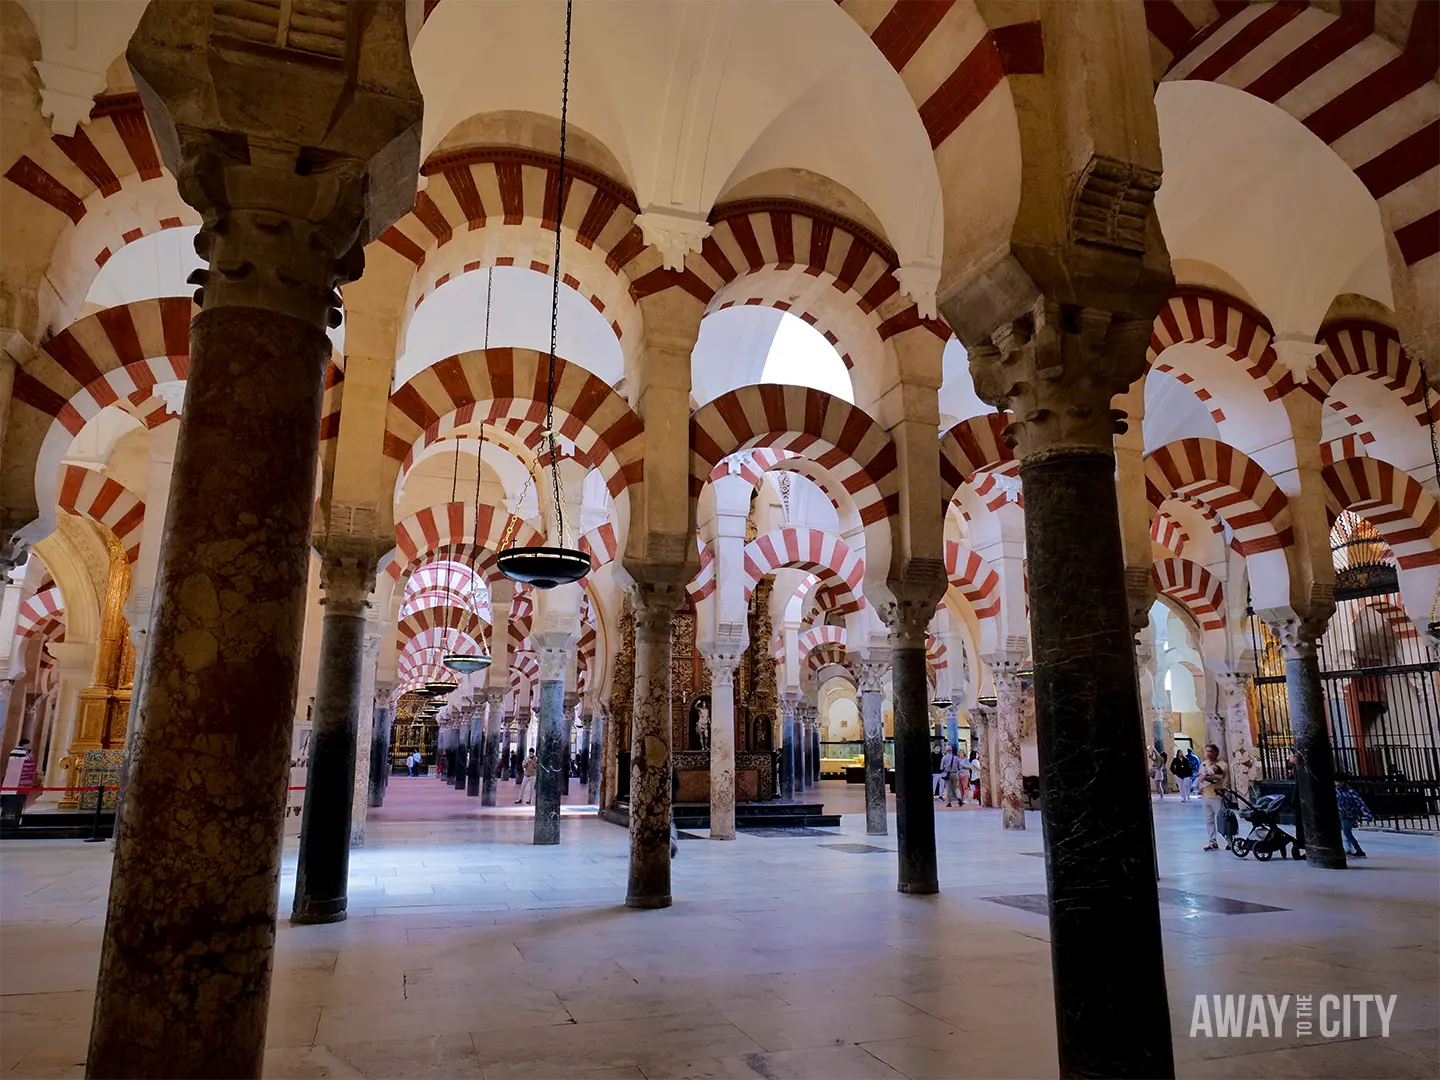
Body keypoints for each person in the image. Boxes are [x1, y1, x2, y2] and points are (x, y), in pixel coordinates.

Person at [1196, 743, 1228, 851]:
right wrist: (1200, 788)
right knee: (1209, 820)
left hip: (1217, 796)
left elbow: (1218, 777)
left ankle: (1230, 841)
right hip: (1206, 795)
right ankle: (1212, 841)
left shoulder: (1222, 764)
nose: (1208, 754)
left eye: (1211, 751)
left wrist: (1206, 777)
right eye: (1207, 751)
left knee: (1222, 819)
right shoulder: (1204, 764)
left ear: (1216, 753)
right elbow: (1200, 777)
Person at [1335, 776, 1373, 858]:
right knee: (1346, 832)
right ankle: (1350, 849)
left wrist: (1367, 814)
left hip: (1350, 815)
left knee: (1347, 832)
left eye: (1339, 782)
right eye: (1336, 782)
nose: (1338, 784)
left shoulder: (1351, 792)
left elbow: (1360, 803)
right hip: (1342, 815)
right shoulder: (1336, 791)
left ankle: (1358, 850)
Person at [1, 738, 37, 823]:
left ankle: (6, 817)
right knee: (16, 802)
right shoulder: (22, 753)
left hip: (9, 780)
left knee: (9, 801)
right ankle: (13, 819)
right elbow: (26, 764)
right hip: (20, 781)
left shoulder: (13, 751)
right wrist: (30, 756)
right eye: (28, 745)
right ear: (25, 744)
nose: (29, 747)